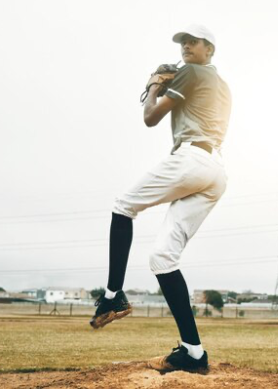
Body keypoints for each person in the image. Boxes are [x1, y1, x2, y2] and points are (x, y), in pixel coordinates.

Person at [90, 24, 232, 372]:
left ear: (209, 49)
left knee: (123, 205)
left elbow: (151, 117)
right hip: (215, 170)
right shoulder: (222, 84)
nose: (185, 46)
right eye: (183, 42)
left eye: (193, 42)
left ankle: (111, 296)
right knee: (163, 257)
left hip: (192, 159)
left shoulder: (192, 71)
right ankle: (194, 353)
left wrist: (155, 87)